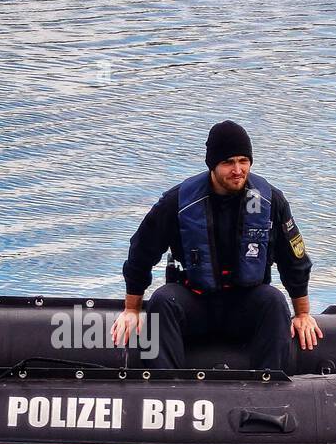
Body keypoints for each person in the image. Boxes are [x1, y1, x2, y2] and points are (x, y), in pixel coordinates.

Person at [110, 121, 320, 371]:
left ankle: (269, 392)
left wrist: (303, 314)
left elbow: (294, 260)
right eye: (228, 162)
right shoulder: (178, 201)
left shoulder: (270, 200)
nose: (238, 170)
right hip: (195, 303)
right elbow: (141, 252)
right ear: (213, 165)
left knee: (274, 301)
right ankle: (166, 391)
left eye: (244, 160)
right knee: (162, 300)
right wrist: (131, 310)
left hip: (245, 305)